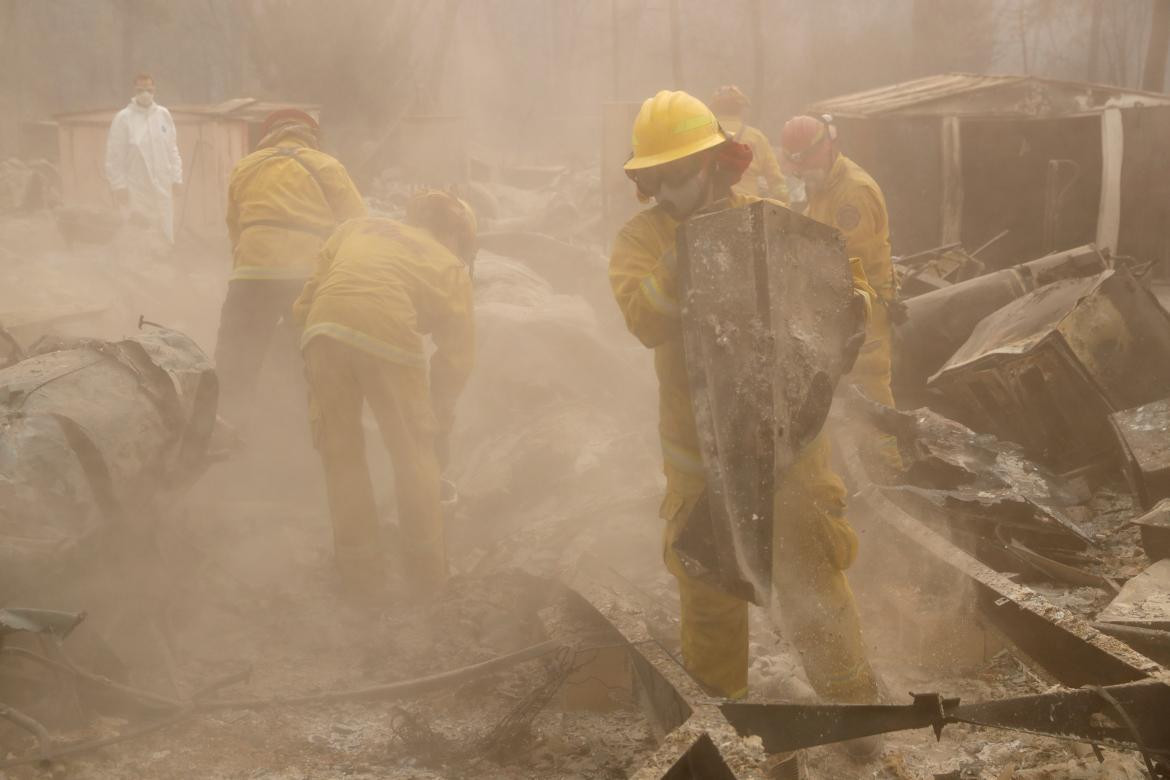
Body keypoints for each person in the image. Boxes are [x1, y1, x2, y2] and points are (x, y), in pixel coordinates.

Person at [609, 91, 880, 738]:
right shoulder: (640, 241)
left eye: (682, 174)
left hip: (786, 445)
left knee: (814, 579)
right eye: (658, 178)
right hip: (700, 460)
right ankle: (722, 726)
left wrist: (858, 305)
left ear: (716, 163)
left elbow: (841, 276)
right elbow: (642, 317)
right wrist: (686, 255)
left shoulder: (767, 220)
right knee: (710, 595)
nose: (670, 191)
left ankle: (859, 720)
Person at [293, 191, 477, 600]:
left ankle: (360, 580)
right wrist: (437, 419)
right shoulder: (449, 265)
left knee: (341, 457)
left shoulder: (356, 228)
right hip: (389, 334)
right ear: (456, 236)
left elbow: (306, 301)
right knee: (414, 458)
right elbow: (457, 356)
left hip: (321, 331)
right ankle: (428, 582)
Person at [215, 109, 366, 425]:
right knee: (311, 354)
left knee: (236, 358)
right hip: (305, 275)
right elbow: (358, 223)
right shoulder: (327, 165)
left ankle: (229, 426)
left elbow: (234, 227)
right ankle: (310, 426)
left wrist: (245, 267)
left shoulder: (245, 167)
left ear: (268, 135)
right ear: (311, 136)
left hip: (251, 273)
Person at [780, 115, 901, 477]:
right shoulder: (823, 187)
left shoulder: (853, 194)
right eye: (796, 164)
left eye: (807, 161)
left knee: (871, 393)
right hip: (839, 308)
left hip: (863, 310)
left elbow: (850, 264)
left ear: (828, 146)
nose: (802, 171)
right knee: (844, 394)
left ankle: (890, 475)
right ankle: (856, 470)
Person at [104, 73, 183, 243]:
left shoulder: (163, 115)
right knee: (140, 233)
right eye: (141, 89)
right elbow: (114, 156)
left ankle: (166, 264)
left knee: (165, 231)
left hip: (163, 186)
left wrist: (177, 178)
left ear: (154, 90)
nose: (145, 93)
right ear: (134, 91)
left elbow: (172, 150)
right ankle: (141, 266)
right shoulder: (124, 118)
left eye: (149, 89)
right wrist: (119, 186)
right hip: (137, 188)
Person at [709, 85, 788, 202]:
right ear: (741, 108)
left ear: (714, 108)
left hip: (709, 209)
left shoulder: (704, 135)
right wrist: (785, 205)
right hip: (748, 209)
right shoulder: (756, 137)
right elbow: (775, 180)